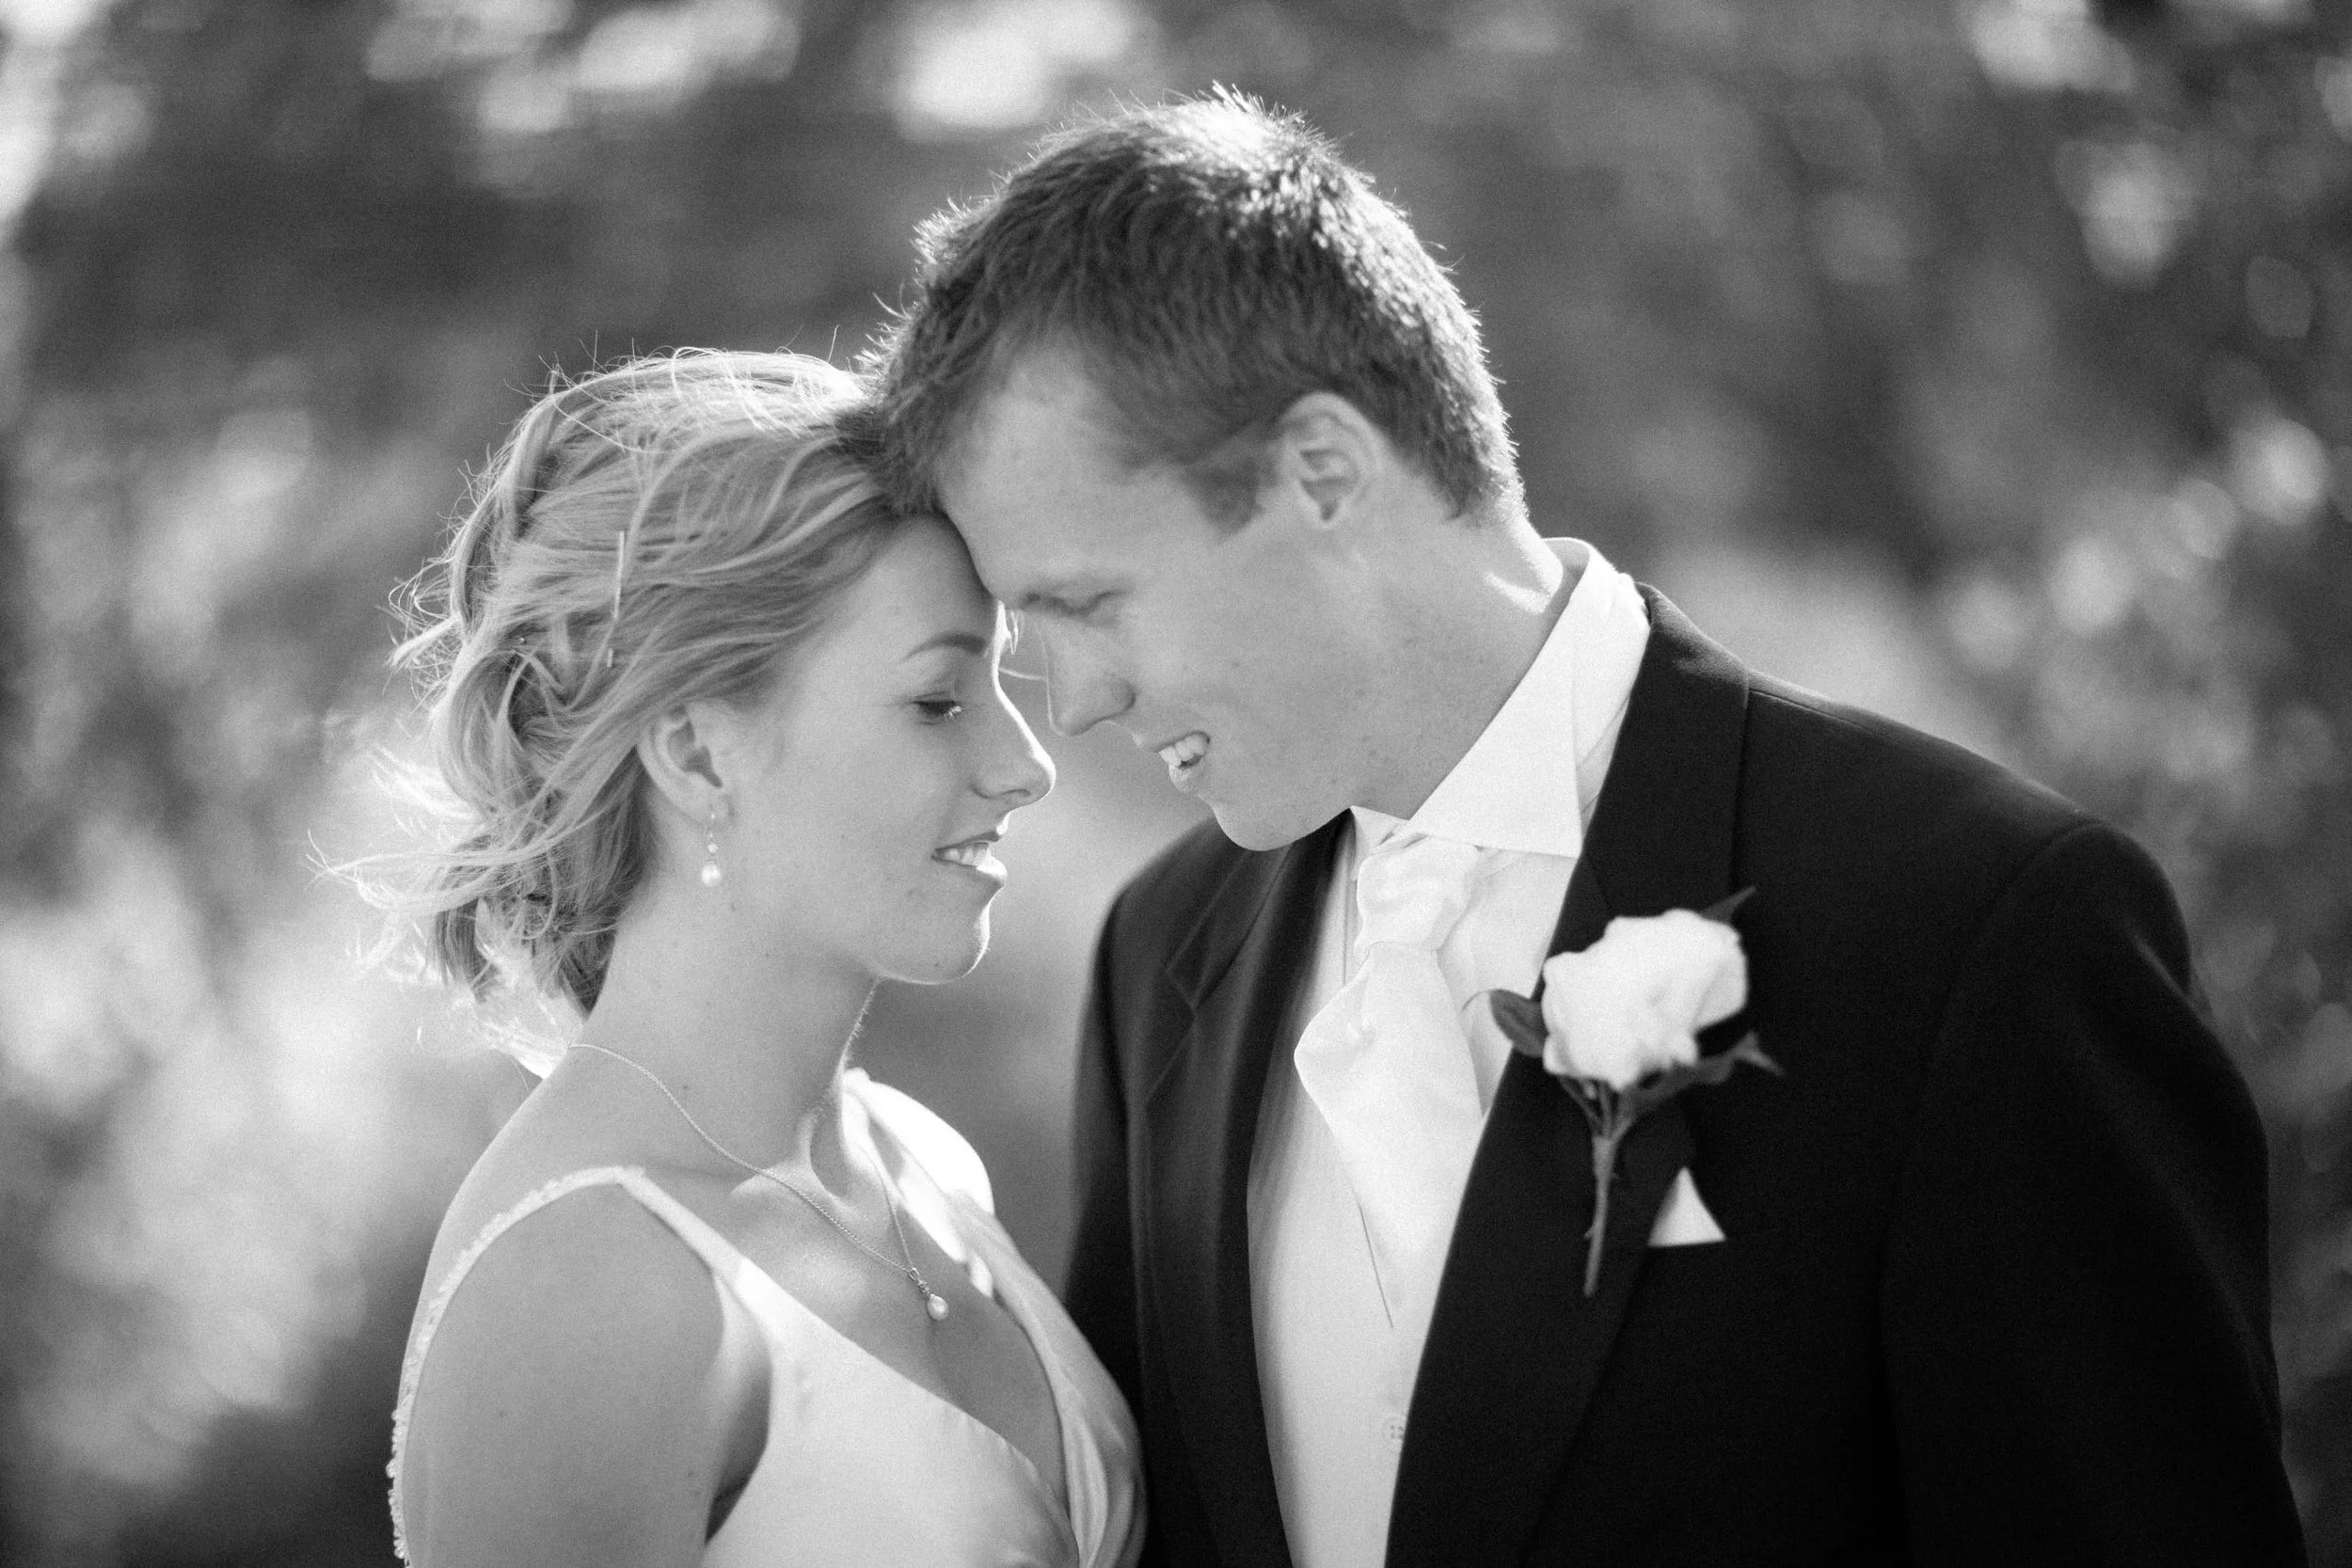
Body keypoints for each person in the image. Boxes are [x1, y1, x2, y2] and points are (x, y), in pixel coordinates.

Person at [859, 94, 2307, 1566]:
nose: (1075, 702)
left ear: (1322, 471)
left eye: (1088, 604)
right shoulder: (1162, 958)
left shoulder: (1975, 930)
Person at [382, 350, 1142, 1567]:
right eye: (939, 700)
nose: (1026, 765)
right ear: (695, 753)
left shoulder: (920, 1163)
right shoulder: (585, 1283)